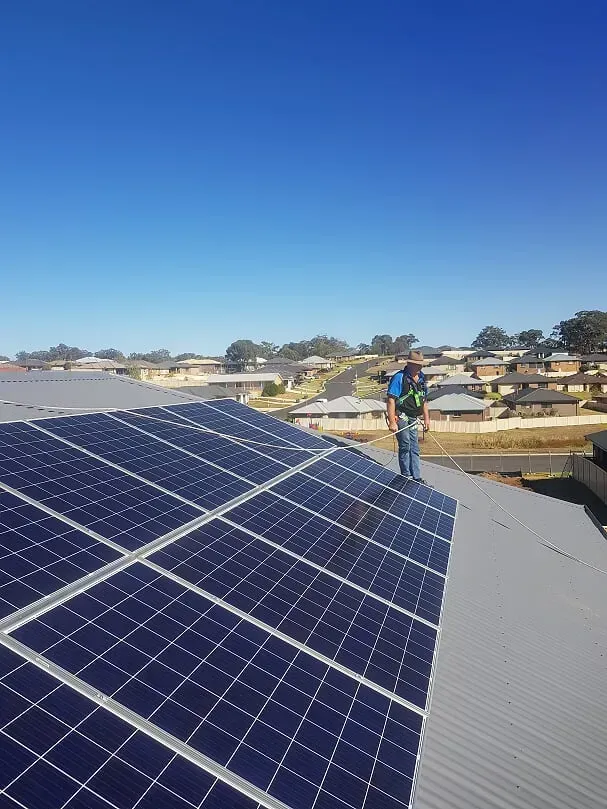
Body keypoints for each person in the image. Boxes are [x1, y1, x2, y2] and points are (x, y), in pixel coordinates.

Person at [386, 349, 430, 482]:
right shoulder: (399, 377)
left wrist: (427, 419)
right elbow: (391, 400)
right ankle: (406, 475)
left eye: (421, 365)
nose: (419, 367)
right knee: (405, 444)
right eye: (417, 365)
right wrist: (392, 421)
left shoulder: (422, 379)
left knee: (414, 446)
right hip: (401, 416)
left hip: (413, 417)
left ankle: (416, 477)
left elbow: (424, 400)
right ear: (409, 364)